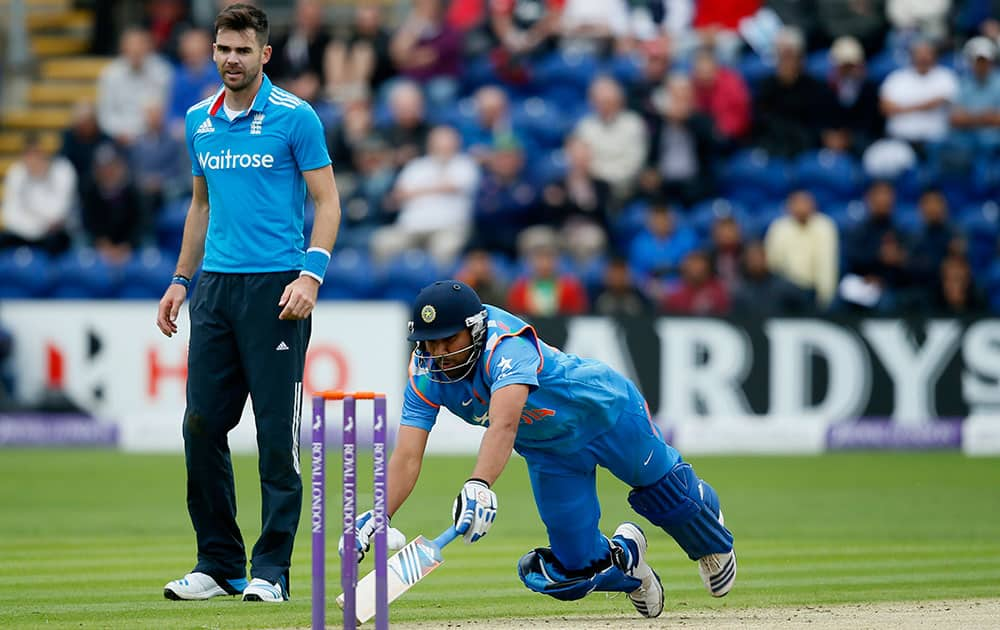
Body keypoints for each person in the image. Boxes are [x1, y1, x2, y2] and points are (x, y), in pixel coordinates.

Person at [345, 280, 737, 618]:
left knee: (667, 496)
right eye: (429, 343)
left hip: (604, 414)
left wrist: (479, 483)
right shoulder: (424, 373)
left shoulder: (506, 346)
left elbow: (504, 423)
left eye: (449, 340)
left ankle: (708, 530)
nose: (439, 354)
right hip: (550, 452)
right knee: (574, 569)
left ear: (475, 330)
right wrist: (380, 513)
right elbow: (408, 455)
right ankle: (627, 561)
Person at [156, 3, 341, 603]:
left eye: (242, 50)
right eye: (222, 49)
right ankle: (219, 564)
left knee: (273, 434)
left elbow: (328, 202)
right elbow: (201, 208)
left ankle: (272, 572)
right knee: (201, 424)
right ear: (212, 51)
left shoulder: (295, 116)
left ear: (264, 54)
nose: (230, 59)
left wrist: (311, 276)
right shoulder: (199, 122)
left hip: (277, 289)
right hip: (216, 288)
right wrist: (181, 280)